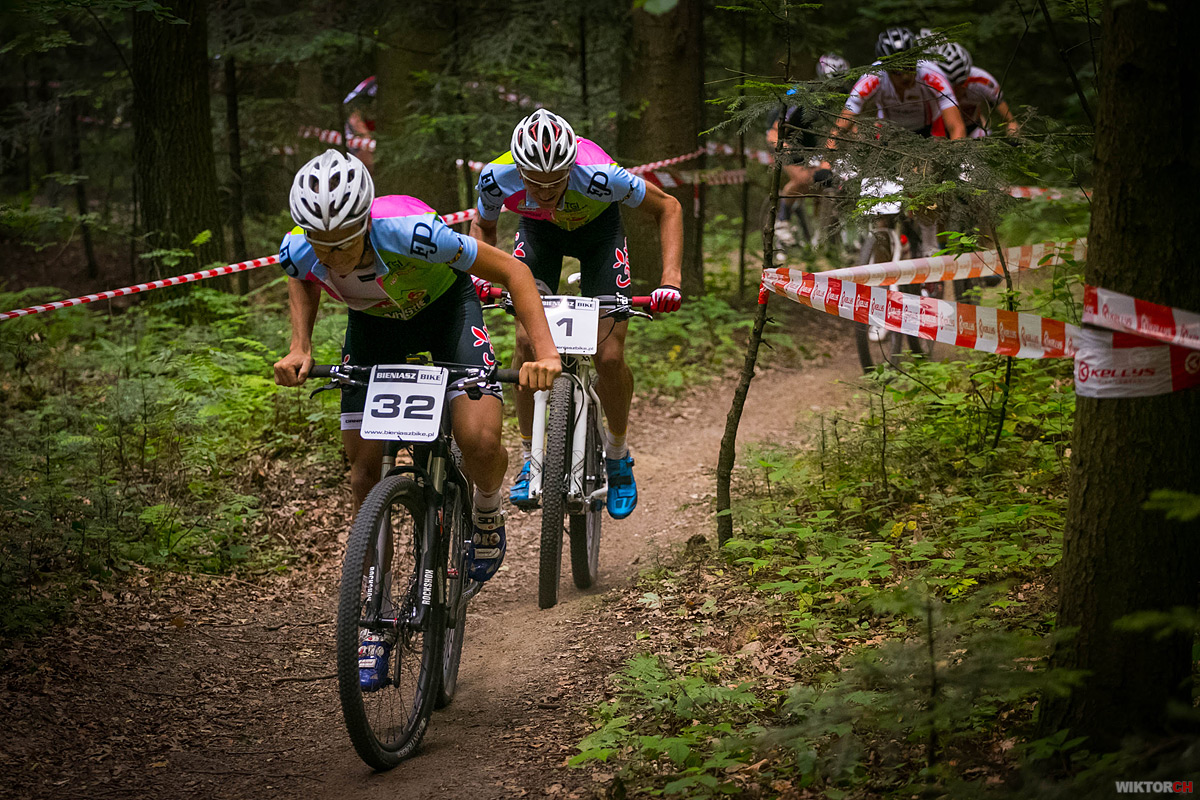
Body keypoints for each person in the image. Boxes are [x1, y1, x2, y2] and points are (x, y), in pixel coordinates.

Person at [272, 149, 561, 690]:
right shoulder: (298, 246)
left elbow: (514, 271)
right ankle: (372, 612)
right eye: (321, 244)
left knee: (478, 440)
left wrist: (544, 353)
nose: (332, 257)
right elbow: (301, 277)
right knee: (363, 473)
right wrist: (300, 345)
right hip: (374, 329)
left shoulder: (415, 234)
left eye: (344, 244)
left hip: (446, 313)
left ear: (365, 223)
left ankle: (486, 512)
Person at [467, 109, 684, 521]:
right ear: (519, 170)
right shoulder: (496, 178)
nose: (545, 191)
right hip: (539, 236)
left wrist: (670, 280)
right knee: (526, 345)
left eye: (555, 180)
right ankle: (530, 457)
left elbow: (668, 207)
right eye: (535, 181)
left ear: (571, 167)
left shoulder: (602, 175)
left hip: (600, 235)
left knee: (610, 357)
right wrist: (481, 275)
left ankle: (617, 456)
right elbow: (483, 226)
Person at [825, 27, 967, 149]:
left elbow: (956, 127)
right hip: (889, 133)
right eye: (897, 72)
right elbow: (843, 122)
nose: (905, 76)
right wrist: (827, 159)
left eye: (909, 67)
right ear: (885, 68)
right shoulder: (874, 76)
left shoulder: (931, 75)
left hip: (928, 132)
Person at [765, 53, 851, 248]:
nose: (835, 90)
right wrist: (782, 147)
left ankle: (819, 233)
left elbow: (846, 124)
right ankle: (782, 220)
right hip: (782, 133)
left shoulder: (845, 95)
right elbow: (776, 129)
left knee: (822, 178)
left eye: (839, 84)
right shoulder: (804, 95)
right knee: (803, 178)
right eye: (831, 85)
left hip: (808, 135)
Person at [934, 42, 1020, 138]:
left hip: (973, 127)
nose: (959, 89)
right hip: (941, 131)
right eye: (952, 85)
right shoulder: (931, 84)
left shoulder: (983, 81)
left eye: (962, 83)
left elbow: (1010, 120)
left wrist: (1014, 137)